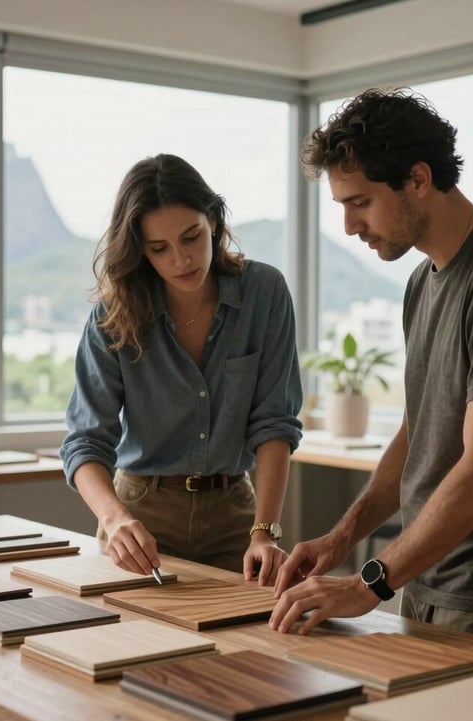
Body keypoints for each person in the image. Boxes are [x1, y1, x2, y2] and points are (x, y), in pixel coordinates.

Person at [269, 88, 473, 653]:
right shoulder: (426, 279)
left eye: (360, 202)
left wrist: (370, 583)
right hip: (429, 580)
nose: (348, 226)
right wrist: (343, 539)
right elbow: (422, 433)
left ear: (417, 179)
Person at [60, 153, 302, 585]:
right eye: (159, 248)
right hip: (141, 517)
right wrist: (115, 519)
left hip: (235, 514)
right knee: (137, 646)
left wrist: (265, 531)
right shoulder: (112, 316)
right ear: (139, 249)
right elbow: (84, 442)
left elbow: (275, 423)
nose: (181, 259)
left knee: (248, 648)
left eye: (192, 237)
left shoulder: (265, 292)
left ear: (213, 221)